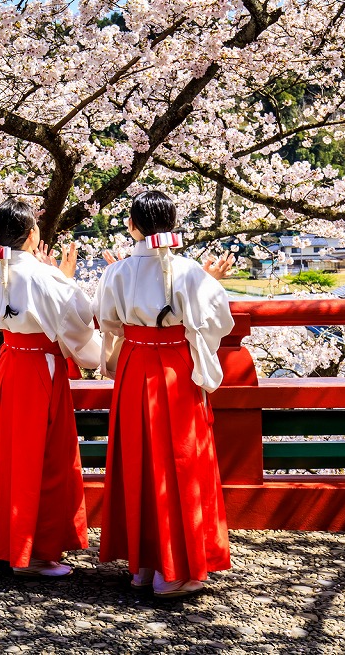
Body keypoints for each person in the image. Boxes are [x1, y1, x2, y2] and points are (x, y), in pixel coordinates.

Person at [95, 190, 236, 598]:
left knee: (138, 460)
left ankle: (144, 565)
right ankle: (174, 570)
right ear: (172, 223)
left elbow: (108, 322)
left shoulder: (116, 272)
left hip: (135, 367)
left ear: (131, 226)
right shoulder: (191, 272)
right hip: (176, 369)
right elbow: (218, 322)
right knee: (180, 462)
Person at [0, 197, 103, 578]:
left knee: (13, 454)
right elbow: (79, 325)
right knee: (46, 458)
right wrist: (66, 280)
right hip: (40, 369)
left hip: (10, 365)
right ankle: (36, 553)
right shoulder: (44, 276)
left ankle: (14, 543)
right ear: (33, 234)